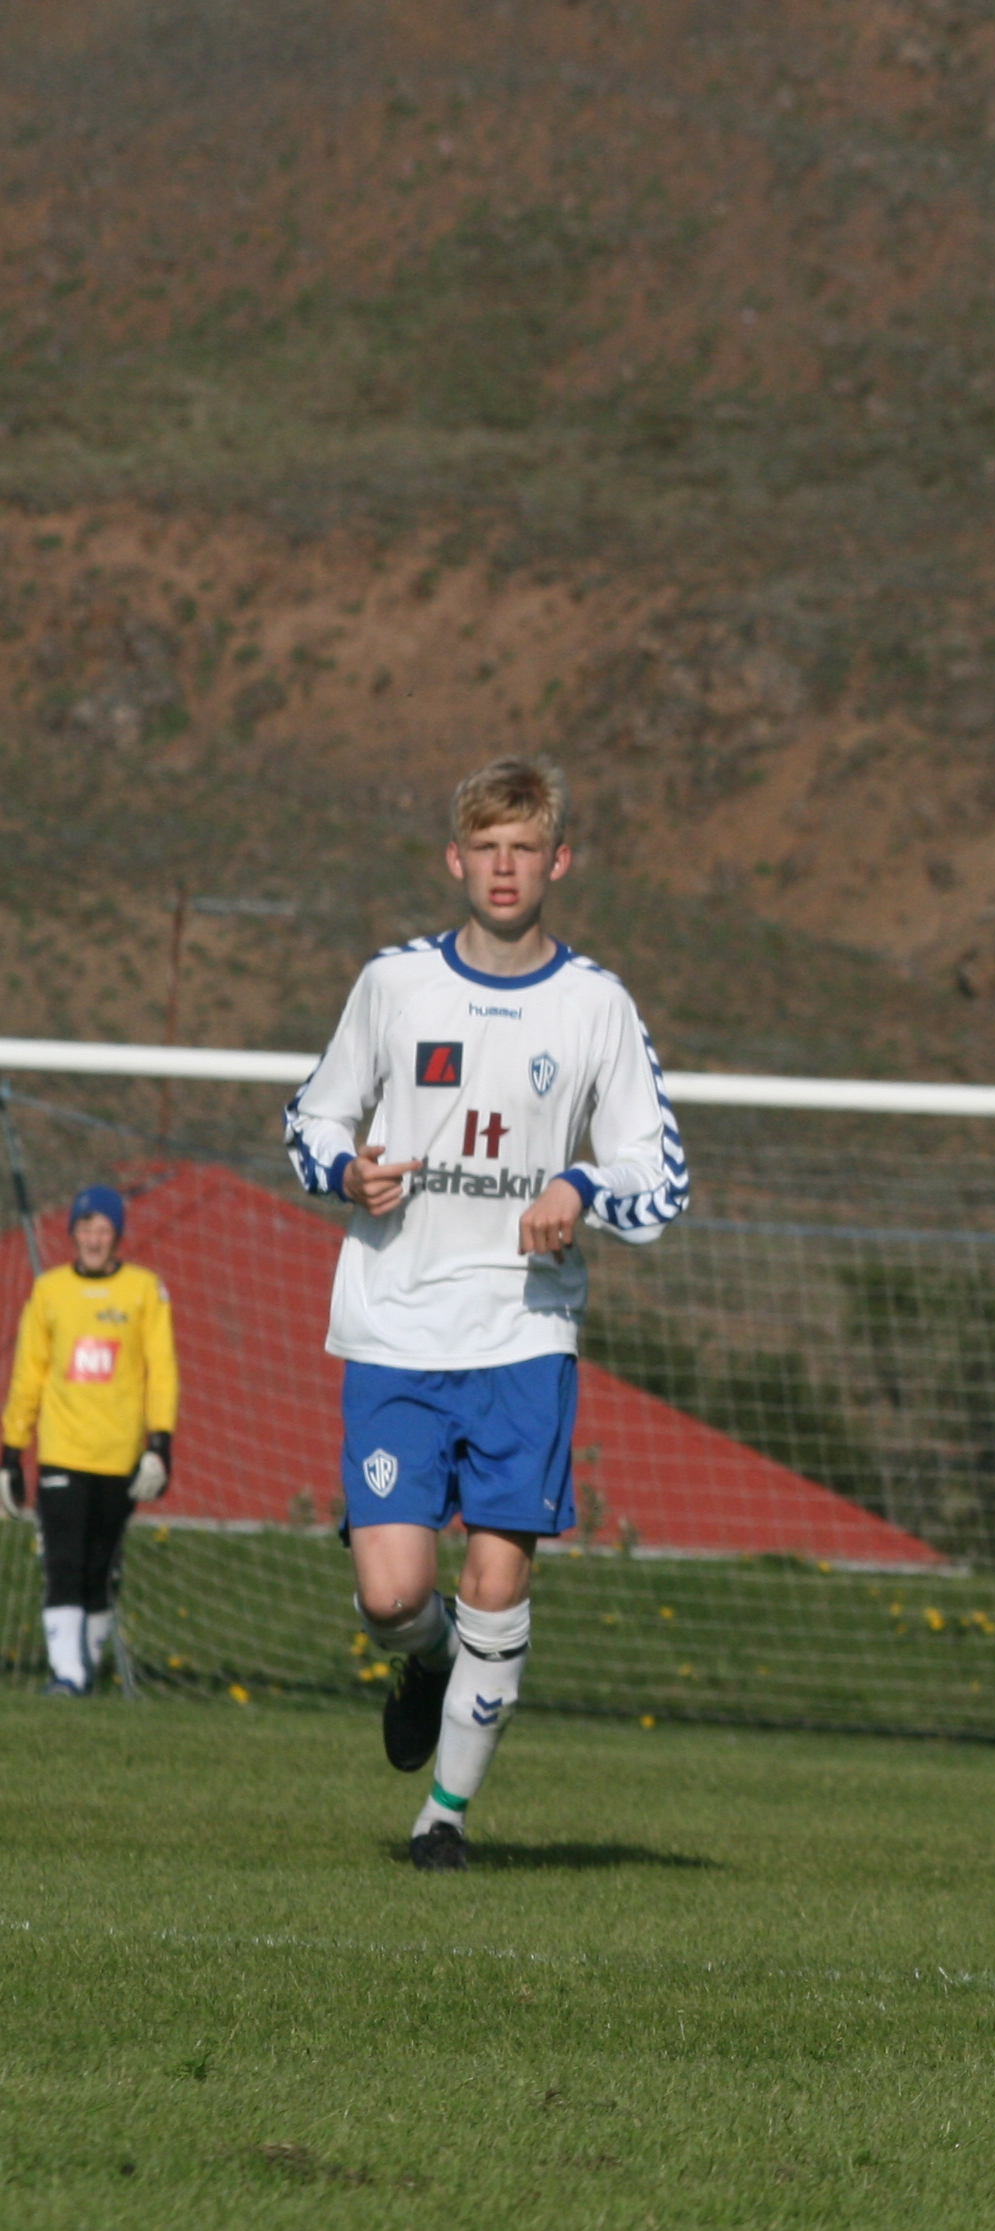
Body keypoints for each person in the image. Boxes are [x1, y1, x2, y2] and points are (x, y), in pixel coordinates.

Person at [281, 756, 689, 1871]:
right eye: (488, 850)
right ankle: (426, 1660)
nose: (506, 869)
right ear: (455, 860)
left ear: (559, 862)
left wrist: (583, 1188)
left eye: (527, 850)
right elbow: (311, 1119)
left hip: (523, 1336)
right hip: (397, 1327)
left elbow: (660, 1178)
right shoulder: (395, 984)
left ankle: (443, 1821)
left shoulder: (595, 1004)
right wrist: (346, 1171)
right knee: (392, 1596)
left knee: (497, 1584)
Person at [4, 1185, 178, 1696]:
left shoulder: (144, 1290)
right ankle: (68, 1676)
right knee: (62, 1561)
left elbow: (162, 1371)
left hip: (120, 1456)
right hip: (62, 1453)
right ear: (73, 1233)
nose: (95, 1239)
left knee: (101, 1569)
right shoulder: (49, 1291)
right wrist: (10, 1452)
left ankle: (84, 1672)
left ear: (117, 1235)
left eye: (104, 1229)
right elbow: (28, 1374)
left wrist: (160, 1444)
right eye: (86, 1228)